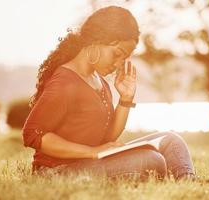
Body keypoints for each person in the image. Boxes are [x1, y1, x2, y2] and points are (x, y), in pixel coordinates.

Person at [22, 5, 195, 181]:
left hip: (92, 162)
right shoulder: (65, 81)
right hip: (57, 172)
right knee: (150, 160)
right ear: (96, 41)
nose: (119, 64)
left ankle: (189, 183)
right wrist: (92, 152)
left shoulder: (99, 81)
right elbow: (32, 134)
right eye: (117, 54)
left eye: (124, 58)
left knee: (171, 140)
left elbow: (107, 137)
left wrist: (125, 99)